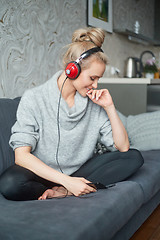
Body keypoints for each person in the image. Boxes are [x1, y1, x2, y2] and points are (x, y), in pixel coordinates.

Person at [0, 27, 144, 201]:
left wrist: (109, 107)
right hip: (42, 172)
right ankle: (63, 187)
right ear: (72, 70)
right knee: (9, 183)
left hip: (80, 171)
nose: (96, 85)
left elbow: (123, 148)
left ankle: (63, 192)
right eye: (92, 78)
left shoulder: (94, 103)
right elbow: (21, 156)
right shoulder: (34, 99)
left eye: (99, 79)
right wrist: (66, 181)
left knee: (134, 157)